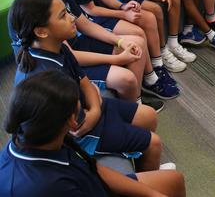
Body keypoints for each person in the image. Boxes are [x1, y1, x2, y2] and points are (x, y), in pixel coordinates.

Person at [9, 0, 167, 172]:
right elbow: (78, 127)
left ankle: (145, 170)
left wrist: (96, 106)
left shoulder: (59, 47)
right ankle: (147, 179)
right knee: (154, 143)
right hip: (81, 135)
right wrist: (94, 105)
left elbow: (84, 82)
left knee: (149, 116)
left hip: (90, 110)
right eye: (63, 16)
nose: (71, 18)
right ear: (41, 31)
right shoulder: (44, 78)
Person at [0, 70, 186, 196]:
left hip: (91, 185)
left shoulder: (36, 137)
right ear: (72, 121)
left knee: (174, 180)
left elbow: (94, 169)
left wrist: (150, 194)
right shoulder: (49, 186)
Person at [9, 0, 149, 104]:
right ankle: (131, 108)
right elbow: (70, 55)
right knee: (125, 78)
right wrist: (117, 59)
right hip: (59, 66)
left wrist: (119, 41)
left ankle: (135, 100)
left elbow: (84, 23)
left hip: (75, 45)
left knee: (135, 44)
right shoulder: (32, 8)